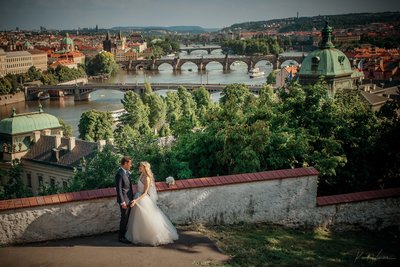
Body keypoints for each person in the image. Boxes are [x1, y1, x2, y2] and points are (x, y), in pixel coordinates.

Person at [125, 161, 178, 246]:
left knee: (147, 219)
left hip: (142, 199)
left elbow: (145, 193)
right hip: (138, 196)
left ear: (145, 168)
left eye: (141, 166)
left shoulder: (147, 178)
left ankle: (152, 237)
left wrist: (136, 200)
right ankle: (139, 236)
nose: (139, 167)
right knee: (138, 220)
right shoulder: (141, 175)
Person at [115, 156, 134, 244]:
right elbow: (119, 190)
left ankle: (125, 235)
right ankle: (121, 237)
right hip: (124, 201)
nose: (131, 165)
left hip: (129, 199)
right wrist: (122, 202)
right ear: (125, 163)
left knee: (127, 218)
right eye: (130, 163)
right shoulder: (119, 174)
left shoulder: (127, 173)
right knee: (124, 219)